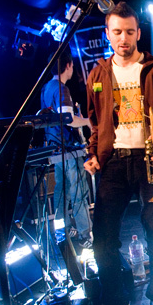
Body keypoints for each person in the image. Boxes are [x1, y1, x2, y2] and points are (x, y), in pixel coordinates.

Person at [83, 2, 153, 305]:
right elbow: (95, 121)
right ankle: (116, 302)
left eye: (129, 31)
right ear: (107, 34)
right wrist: (93, 153)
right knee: (103, 238)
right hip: (113, 161)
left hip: (149, 159)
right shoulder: (98, 74)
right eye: (117, 32)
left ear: (138, 33)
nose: (123, 38)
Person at [40, 50, 93, 247]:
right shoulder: (62, 89)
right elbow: (68, 120)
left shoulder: (45, 88)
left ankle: (62, 232)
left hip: (55, 150)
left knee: (61, 192)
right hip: (69, 150)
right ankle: (85, 234)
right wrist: (87, 122)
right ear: (68, 65)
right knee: (79, 192)